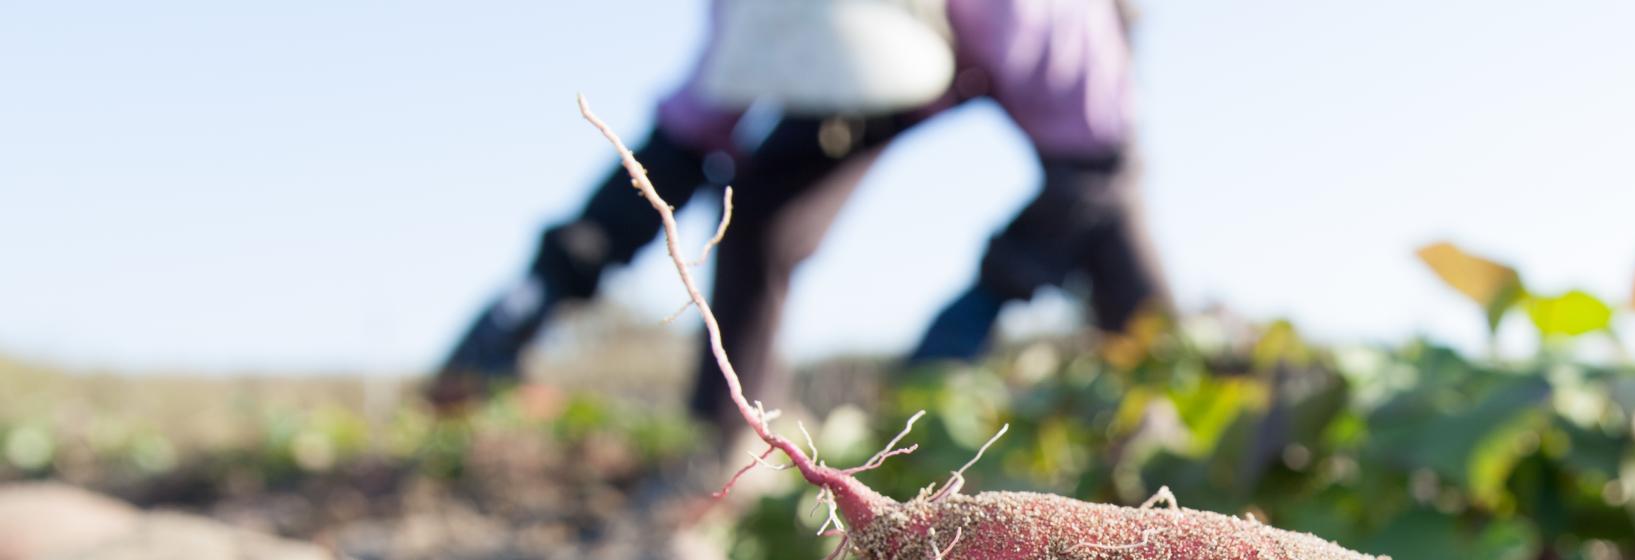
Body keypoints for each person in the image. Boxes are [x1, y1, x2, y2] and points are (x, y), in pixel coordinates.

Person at [431, 0, 1173, 440]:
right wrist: (538, 291)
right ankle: (727, 439)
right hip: (857, 45)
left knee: (1111, 244)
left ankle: (1172, 415)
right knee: (759, 217)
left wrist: (986, 299)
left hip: (1007, 63)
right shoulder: (755, 21)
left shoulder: (1049, 28)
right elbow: (672, 155)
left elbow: (1095, 165)